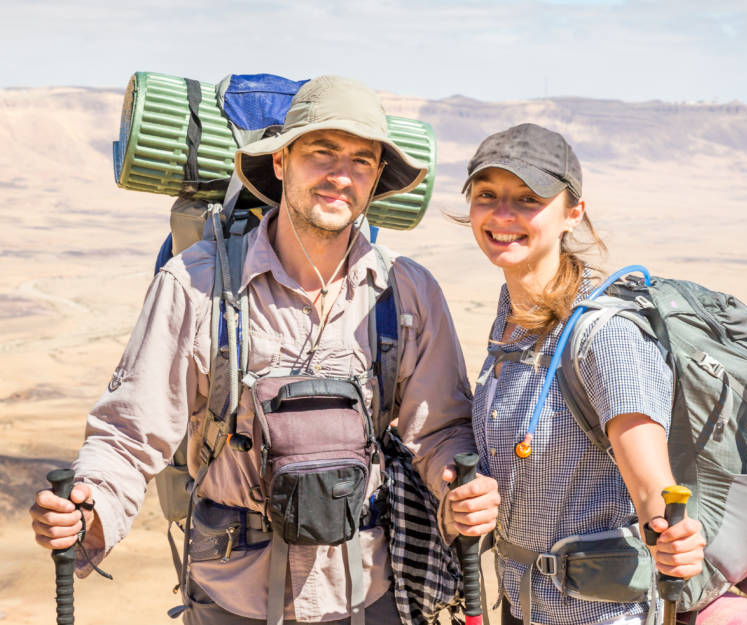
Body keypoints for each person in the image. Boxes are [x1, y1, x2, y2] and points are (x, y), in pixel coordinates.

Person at [29, 75, 499, 625]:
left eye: (361, 162)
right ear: (280, 163)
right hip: (233, 597)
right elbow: (130, 435)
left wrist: (459, 492)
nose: (339, 176)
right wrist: (90, 508)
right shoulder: (196, 284)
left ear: (376, 180)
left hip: (368, 592)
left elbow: (440, 431)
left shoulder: (408, 291)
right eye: (320, 153)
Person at [461, 123, 747, 625]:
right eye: (486, 195)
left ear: (573, 213)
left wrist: (672, 532)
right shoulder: (511, 324)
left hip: (606, 615)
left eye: (527, 199)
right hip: (527, 607)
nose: (502, 215)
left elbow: (652, 485)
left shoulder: (606, 337)